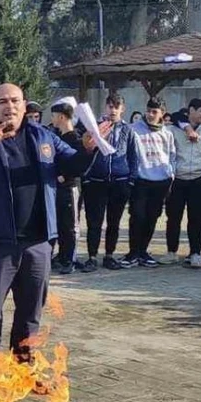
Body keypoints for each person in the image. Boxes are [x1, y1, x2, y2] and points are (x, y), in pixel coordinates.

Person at [0, 84, 102, 368]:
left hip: (37, 241)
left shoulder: (42, 136)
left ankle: (23, 365)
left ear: (25, 104)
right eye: (2, 101)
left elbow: (71, 165)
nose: (10, 106)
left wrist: (88, 150)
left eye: (15, 100)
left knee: (31, 310)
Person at [159, 98, 201, 268]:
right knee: (173, 218)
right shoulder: (172, 130)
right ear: (191, 110)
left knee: (197, 219)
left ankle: (195, 253)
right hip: (178, 180)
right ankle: (171, 252)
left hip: (200, 180)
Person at [81, 93, 137, 271]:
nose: (113, 110)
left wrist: (131, 181)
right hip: (96, 181)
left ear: (123, 108)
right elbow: (85, 151)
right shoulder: (95, 127)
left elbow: (133, 156)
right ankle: (91, 257)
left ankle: (109, 255)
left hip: (120, 182)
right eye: (110, 106)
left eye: (116, 106)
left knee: (114, 222)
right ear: (105, 107)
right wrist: (86, 177)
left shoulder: (128, 130)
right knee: (94, 222)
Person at [123, 98, 176, 267]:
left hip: (161, 181)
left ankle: (143, 251)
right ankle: (133, 252)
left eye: (155, 112)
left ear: (162, 113)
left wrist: (170, 174)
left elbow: (172, 155)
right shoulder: (133, 129)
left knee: (152, 217)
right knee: (137, 216)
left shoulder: (167, 133)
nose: (151, 115)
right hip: (140, 180)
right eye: (148, 111)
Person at [49, 102, 83, 274]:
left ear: (61, 117)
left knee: (70, 225)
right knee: (60, 224)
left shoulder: (76, 138)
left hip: (70, 188)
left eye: (54, 115)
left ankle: (70, 259)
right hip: (57, 188)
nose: (51, 119)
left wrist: (64, 176)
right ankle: (61, 256)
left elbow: (78, 164)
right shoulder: (56, 136)